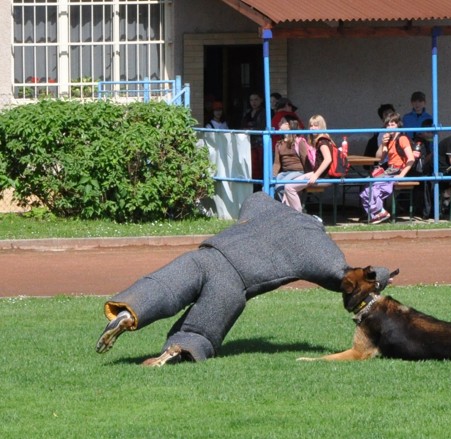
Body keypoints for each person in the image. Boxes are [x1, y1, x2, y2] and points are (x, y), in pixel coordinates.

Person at [95, 192, 394, 366]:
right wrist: (381, 275)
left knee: (166, 286)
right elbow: (348, 279)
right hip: (233, 283)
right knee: (200, 331)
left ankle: (130, 311)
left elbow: (254, 197)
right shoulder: (318, 247)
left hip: (206, 256)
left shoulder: (267, 209)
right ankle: (178, 350)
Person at [360, 112, 415, 224]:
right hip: (389, 170)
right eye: (388, 125)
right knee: (366, 188)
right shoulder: (388, 140)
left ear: (398, 125)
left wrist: (402, 175)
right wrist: (383, 144)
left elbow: (411, 159)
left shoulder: (402, 138)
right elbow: (379, 158)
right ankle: (377, 212)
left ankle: (379, 212)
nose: (390, 127)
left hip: (397, 170)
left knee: (373, 188)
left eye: (393, 124)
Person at [282, 114, 332, 212]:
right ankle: (290, 216)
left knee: (289, 187)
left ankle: (299, 216)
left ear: (321, 126)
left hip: (323, 176)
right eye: (311, 126)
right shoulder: (318, 140)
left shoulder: (322, 141)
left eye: (316, 125)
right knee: (287, 188)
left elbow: (328, 159)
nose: (313, 128)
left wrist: (315, 175)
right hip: (318, 174)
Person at [272, 116, 311, 201]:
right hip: (285, 173)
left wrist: (309, 175)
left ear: (288, 125)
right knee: (268, 187)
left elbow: (305, 159)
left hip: (298, 172)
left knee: (280, 186)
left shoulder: (299, 142)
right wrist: (272, 176)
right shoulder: (279, 144)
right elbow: (277, 163)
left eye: (282, 122)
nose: (279, 124)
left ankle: (285, 210)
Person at [240, 92, 267, 191]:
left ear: (261, 100)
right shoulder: (247, 112)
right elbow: (242, 125)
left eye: (256, 99)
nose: (253, 102)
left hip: (259, 143)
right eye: (251, 100)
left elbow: (261, 126)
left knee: (260, 166)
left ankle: (261, 188)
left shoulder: (264, 112)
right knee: (251, 167)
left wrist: (250, 128)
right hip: (248, 143)